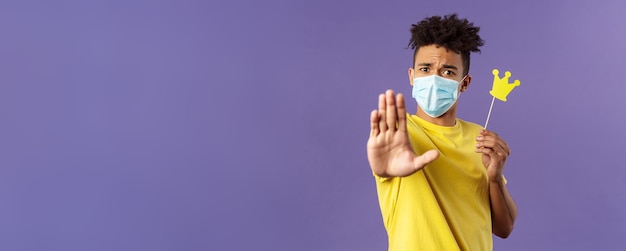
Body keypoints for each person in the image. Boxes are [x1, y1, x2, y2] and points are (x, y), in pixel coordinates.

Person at [367, 13, 517, 251]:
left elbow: (504, 228)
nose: (434, 78)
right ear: (412, 76)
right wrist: (383, 170)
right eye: (425, 69)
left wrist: (495, 178)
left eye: (447, 72)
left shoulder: (480, 138)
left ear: (464, 83)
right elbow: (386, 161)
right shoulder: (399, 132)